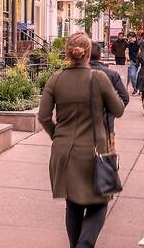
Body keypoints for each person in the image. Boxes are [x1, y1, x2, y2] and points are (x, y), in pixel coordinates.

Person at [39, 33, 126, 248]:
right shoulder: (99, 78)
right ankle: (84, 244)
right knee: (100, 202)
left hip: (64, 151)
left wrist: (56, 135)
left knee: (74, 203)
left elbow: (43, 117)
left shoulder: (55, 79)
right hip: (94, 150)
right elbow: (119, 109)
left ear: (68, 52)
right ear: (88, 53)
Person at [90, 42, 130, 151]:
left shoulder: (76, 74)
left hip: (81, 125)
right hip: (105, 122)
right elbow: (125, 98)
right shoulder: (111, 74)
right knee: (105, 158)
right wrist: (112, 110)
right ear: (100, 56)